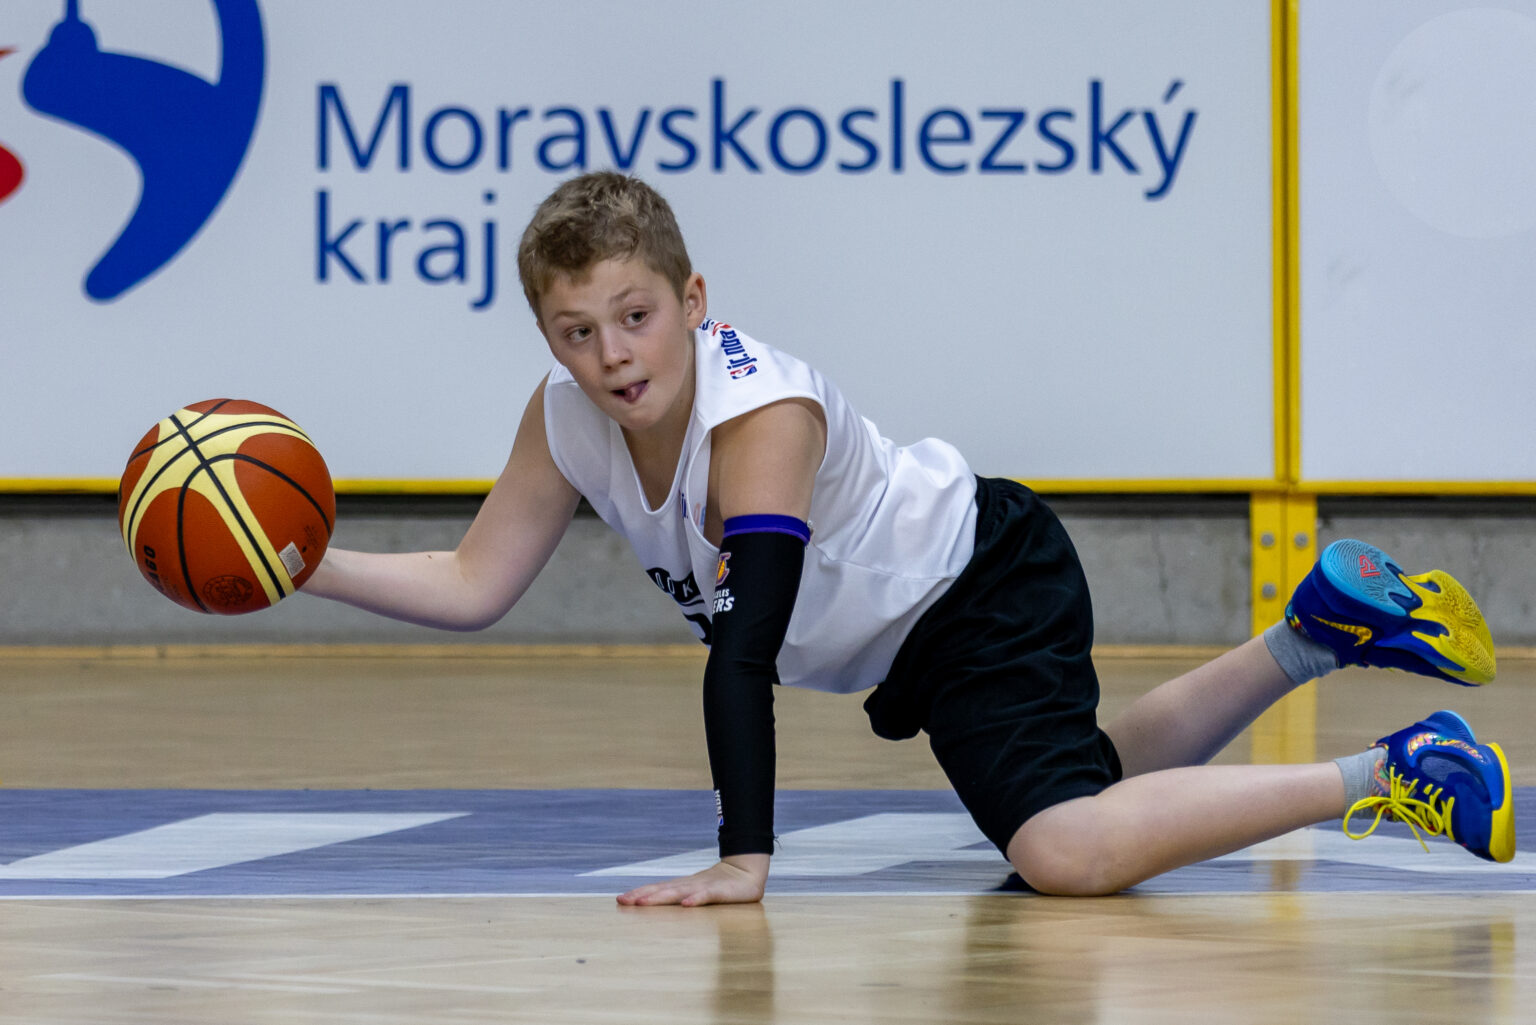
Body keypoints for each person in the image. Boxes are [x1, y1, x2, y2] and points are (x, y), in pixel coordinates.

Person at [302, 171, 1514, 905]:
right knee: (1084, 787)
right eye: (577, 331)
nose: (612, 353)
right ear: (547, 339)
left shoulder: (759, 419)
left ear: (693, 302)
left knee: (1062, 849)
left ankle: (1396, 773)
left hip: (976, 580)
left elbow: (743, 648)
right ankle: (1316, 633)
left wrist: (744, 856)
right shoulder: (565, 417)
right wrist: (304, 564)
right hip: (924, 628)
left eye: (635, 315)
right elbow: (473, 580)